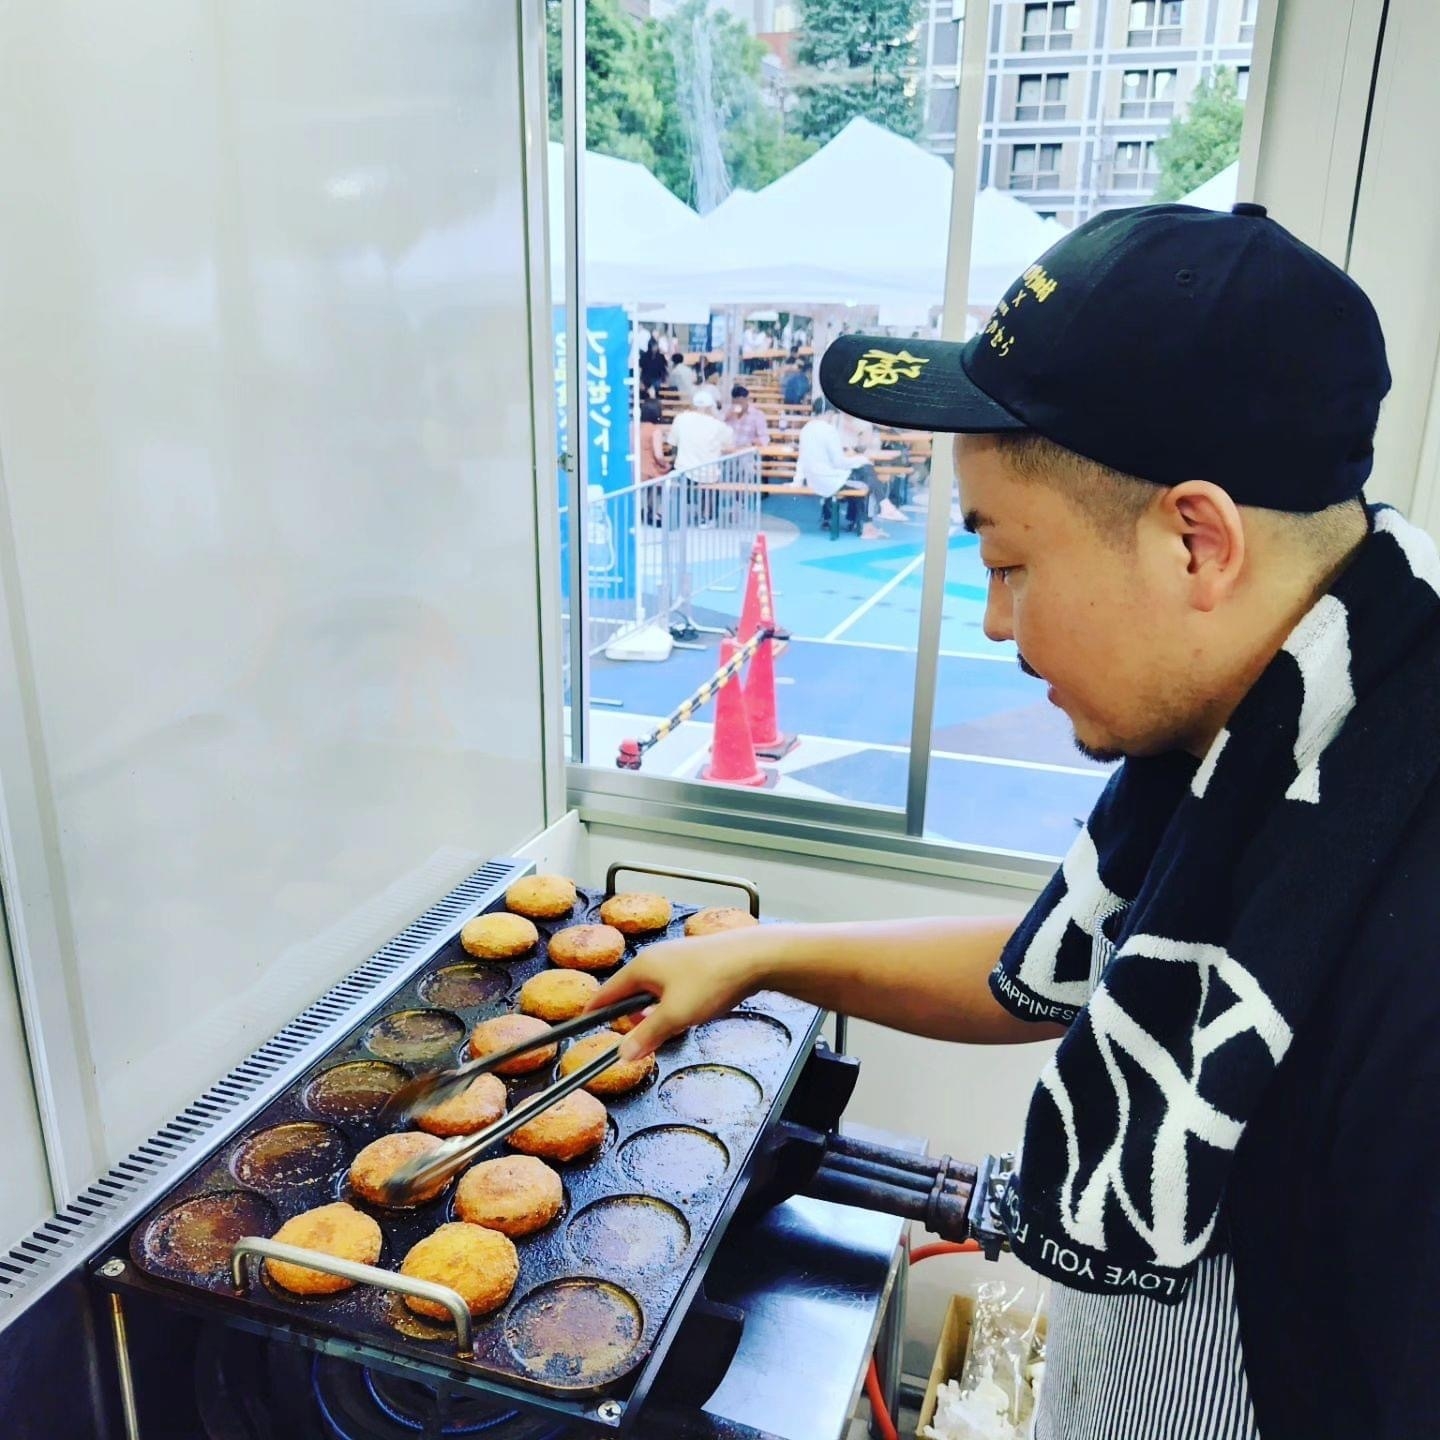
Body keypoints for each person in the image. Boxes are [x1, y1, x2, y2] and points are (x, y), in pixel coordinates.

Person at [591, 203, 1439, 1438]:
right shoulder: (1283, 721)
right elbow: (1067, 968)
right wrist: (761, 955)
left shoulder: (1404, 933)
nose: (997, 624)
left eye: (1007, 565)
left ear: (1196, 543)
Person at [795, 399, 904, 538]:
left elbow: (802, 459)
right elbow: (839, 462)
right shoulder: (829, 430)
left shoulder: (806, 429)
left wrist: (797, 481)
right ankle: (873, 520)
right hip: (829, 480)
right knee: (866, 478)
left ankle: (881, 510)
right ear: (828, 412)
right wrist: (860, 460)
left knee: (864, 473)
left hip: (815, 479)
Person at [637, 397, 670, 524]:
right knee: (664, 476)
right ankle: (654, 511)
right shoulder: (655, 431)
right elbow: (659, 455)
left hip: (634, 467)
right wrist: (666, 465)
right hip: (648, 469)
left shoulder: (633, 427)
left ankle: (644, 510)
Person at [726, 385, 771, 451]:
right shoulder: (728, 413)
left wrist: (752, 442)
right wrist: (726, 416)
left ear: (747, 400)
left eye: (741, 402)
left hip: (747, 451)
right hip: (729, 451)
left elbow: (765, 438)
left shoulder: (757, 415)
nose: (738, 405)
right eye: (735, 402)